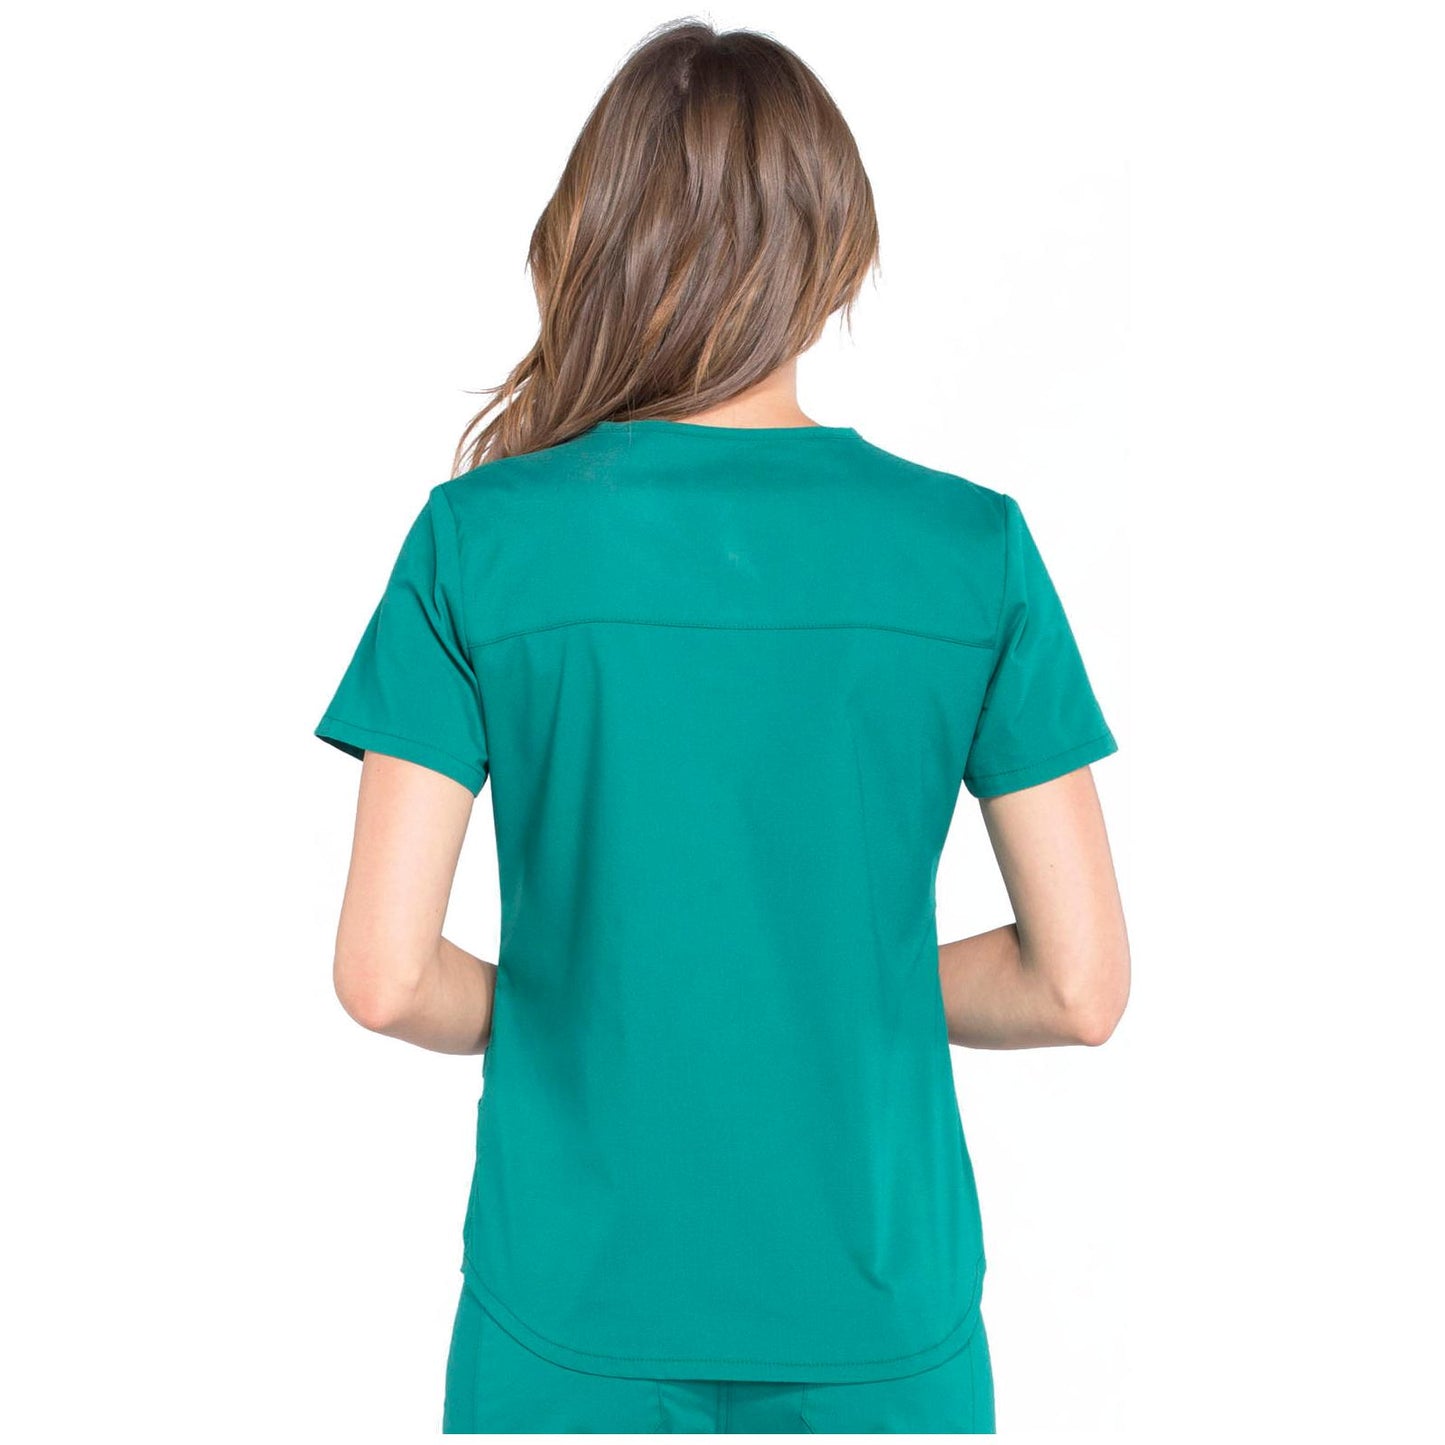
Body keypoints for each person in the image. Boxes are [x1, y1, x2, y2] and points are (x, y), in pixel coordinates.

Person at [313, 18, 1128, 1436]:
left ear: (595, 238)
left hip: (565, 1322)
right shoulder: (970, 552)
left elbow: (386, 977)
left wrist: (602, 999)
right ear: (834, 250)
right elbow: (1078, 986)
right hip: (884, 1324)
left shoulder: (477, 543)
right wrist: (833, 982)